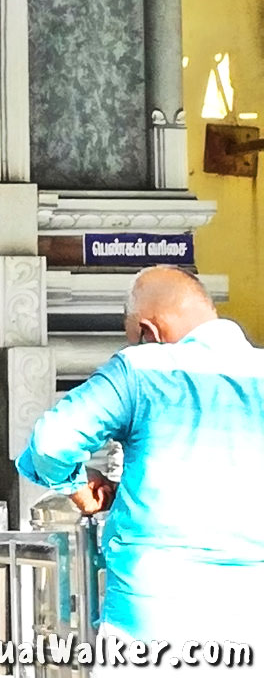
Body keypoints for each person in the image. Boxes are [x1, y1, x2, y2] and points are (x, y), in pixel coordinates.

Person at [17, 265, 264, 654]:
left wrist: (76, 485)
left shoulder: (142, 369)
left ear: (149, 332)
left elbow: (52, 443)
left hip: (150, 621)